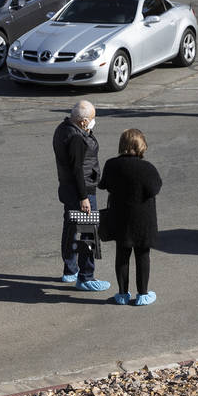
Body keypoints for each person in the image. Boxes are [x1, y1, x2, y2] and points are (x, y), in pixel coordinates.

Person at [99, 128, 163, 307]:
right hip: (143, 219)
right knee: (142, 255)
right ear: (141, 145)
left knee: (122, 255)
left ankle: (122, 294)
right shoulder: (147, 168)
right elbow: (154, 188)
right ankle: (142, 294)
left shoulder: (111, 164)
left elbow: (103, 185)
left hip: (120, 217)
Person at [53, 100, 110, 291]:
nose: (94, 122)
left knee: (70, 229)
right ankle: (86, 277)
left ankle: (70, 270)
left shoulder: (63, 128)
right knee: (88, 232)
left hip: (69, 191)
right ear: (84, 121)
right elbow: (77, 169)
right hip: (81, 192)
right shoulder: (77, 138)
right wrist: (84, 197)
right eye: (92, 119)